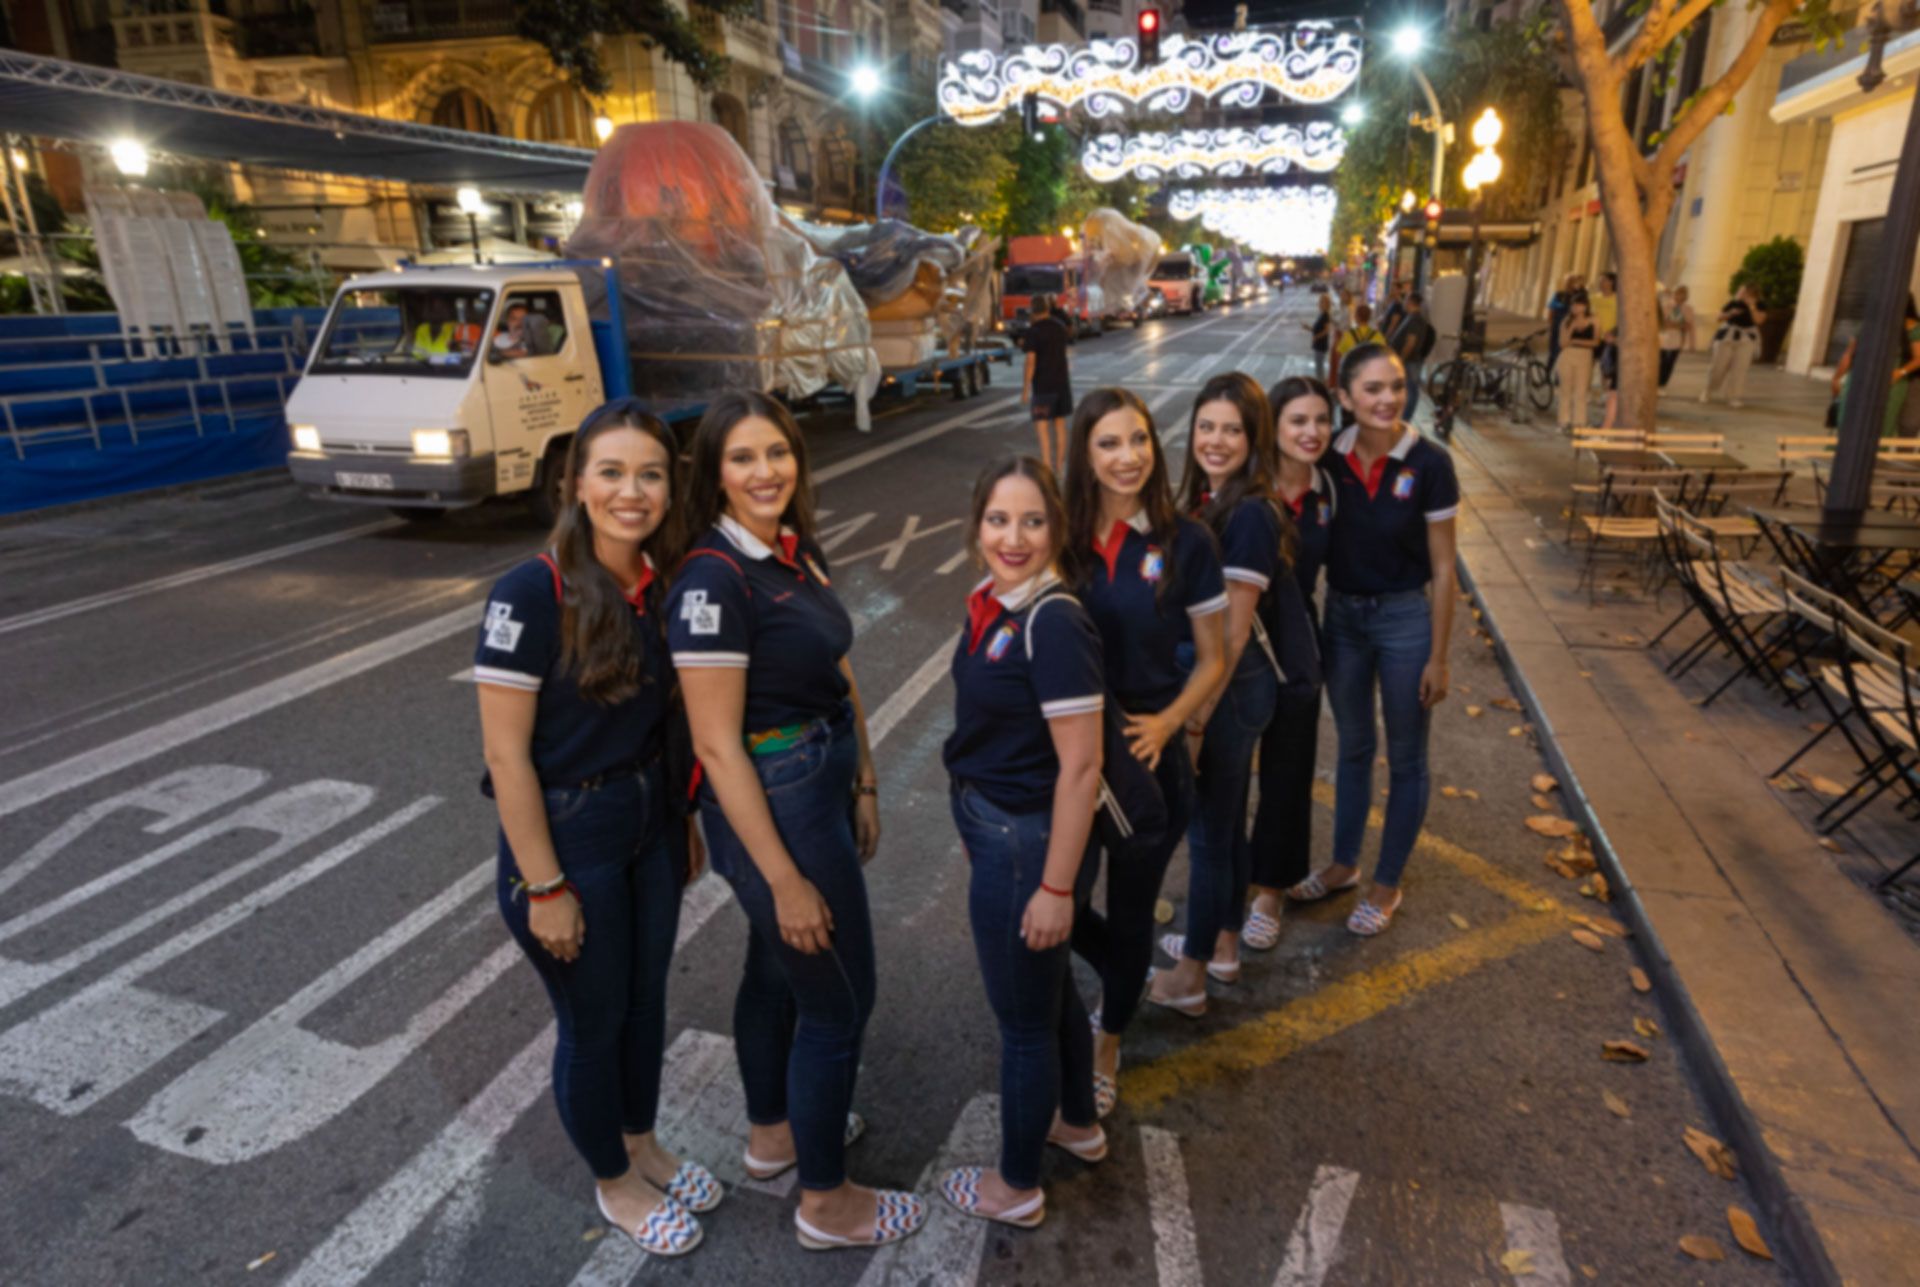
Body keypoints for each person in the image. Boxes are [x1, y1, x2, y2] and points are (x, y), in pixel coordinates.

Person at [665, 390, 925, 1252]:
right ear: (713, 472)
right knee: (840, 995)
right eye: (742, 457)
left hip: (820, 774)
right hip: (773, 792)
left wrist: (867, 780)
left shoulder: (788, 548)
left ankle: (775, 1134)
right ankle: (827, 1203)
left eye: (777, 452)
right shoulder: (713, 576)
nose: (765, 470)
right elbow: (715, 741)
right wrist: (783, 877)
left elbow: (835, 664)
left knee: (777, 970)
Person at [474, 400, 715, 1258]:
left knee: (645, 1001)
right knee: (594, 1017)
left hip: (648, 819)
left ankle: (642, 1141)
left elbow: (666, 723)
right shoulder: (529, 593)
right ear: (576, 483)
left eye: (650, 473)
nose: (631, 490)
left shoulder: (660, 583)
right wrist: (546, 887)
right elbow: (507, 759)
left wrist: (680, 816)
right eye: (611, 472)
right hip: (569, 837)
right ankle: (613, 1181)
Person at [939, 456, 1108, 1229]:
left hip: (1025, 842)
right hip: (1000, 829)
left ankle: (1016, 1184)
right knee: (1050, 995)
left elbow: (1081, 766)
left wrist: (1056, 886)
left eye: (1033, 521)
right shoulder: (992, 601)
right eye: (999, 519)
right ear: (977, 525)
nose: (1014, 536)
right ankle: (1077, 1120)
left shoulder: (1052, 619)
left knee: (1021, 1022)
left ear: (1056, 528)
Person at [1063, 388, 1226, 1118]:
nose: (1127, 456)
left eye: (1138, 440)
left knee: (1130, 914)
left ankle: (1109, 1034)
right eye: (1108, 443)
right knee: (1057, 903)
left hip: (1146, 765)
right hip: (1068, 761)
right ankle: (1121, 972)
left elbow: (1216, 660)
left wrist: (1166, 726)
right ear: (1084, 455)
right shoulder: (1057, 534)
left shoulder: (1187, 540)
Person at [1296, 345, 1458, 937]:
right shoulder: (1328, 458)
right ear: (1345, 398)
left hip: (1404, 621)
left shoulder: (1430, 463)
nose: (1388, 398)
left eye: (1395, 385)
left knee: (1408, 756)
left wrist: (1438, 655)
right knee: (1353, 748)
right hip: (1342, 618)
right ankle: (1344, 864)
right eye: (1371, 389)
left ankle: (1386, 883)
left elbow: (1444, 568)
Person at [1149, 374, 1287, 1009]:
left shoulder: (1252, 513)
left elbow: (1229, 635)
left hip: (1227, 690)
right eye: (1206, 426)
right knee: (1224, 825)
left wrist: (1197, 721)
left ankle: (1192, 974)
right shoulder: (1216, 497)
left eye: (1233, 429)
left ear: (1255, 437)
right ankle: (1224, 945)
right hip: (1229, 687)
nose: (1216, 439)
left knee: (1206, 831)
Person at [1243, 376, 1338, 950]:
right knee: (1224, 776)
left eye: (1321, 420)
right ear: (1273, 427)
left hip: (1297, 645)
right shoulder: (1248, 489)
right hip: (1239, 637)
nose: (1311, 432)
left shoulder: (1330, 490)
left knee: (1288, 771)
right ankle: (1224, 886)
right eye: (1298, 421)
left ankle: (1269, 892)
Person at [1832, 296, 1920, 438]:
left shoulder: (1912, 327)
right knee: (1848, 419)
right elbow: (1849, 353)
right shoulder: (1867, 325)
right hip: (1859, 378)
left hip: (1892, 383)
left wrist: (1899, 373)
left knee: (1883, 424)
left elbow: (1918, 358)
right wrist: (1837, 378)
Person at [1024, 295, 1074, 475]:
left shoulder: (1033, 331)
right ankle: (1060, 467)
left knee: (1042, 426)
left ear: (1033, 310)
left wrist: (1025, 389)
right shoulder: (1060, 327)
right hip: (1062, 385)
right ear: (1047, 308)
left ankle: (1047, 466)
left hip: (1043, 388)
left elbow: (1031, 361)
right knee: (1060, 426)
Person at [1703, 284, 1765, 408]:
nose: (1740, 294)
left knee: (1740, 369)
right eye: (1740, 291)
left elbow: (1759, 321)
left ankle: (1733, 397)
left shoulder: (1760, 305)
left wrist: (1751, 306)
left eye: (1743, 292)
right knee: (1718, 367)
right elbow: (1719, 318)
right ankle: (1708, 390)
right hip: (1727, 337)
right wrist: (1730, 313)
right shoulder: (1732, 303)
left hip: (1747, 339)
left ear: (1752, 295)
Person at [1389, 293, 1437, 420]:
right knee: (1408, 389)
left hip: (1410, 362)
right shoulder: (1411, 317)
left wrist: (1401, 359)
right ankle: (1403, 417)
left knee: (1411, 390)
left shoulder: (1416, 319)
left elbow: (1411, 342)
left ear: (1410, 301)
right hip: (1409, 361)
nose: (1403, 302)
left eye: (1405, 299)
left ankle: (1405, 419)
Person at [1556, 296, 1600, 431]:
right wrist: (1572, 328)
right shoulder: (1567, 321)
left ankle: (1579, 422)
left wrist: (1575, 341)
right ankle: (1564, 421)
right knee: (1565, 390)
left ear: (1586, 306)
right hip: (1567, 356)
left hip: (1585, 357)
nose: (1576, 308)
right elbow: (1563, 343)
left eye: (1579, 305)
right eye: (1574, 305)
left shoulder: (1594, 320)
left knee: (1581, 390)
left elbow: (1595, 342)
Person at [1330, 302, 1385, 392]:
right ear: (1369, 317)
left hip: (1352, 374)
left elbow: (1339, 353)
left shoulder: (1348, 335)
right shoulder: (1378, 336)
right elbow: (1383, 355)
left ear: (1356, 317)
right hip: (1371, 374)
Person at [1590, 273, 1621, 427]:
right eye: (1600, 280)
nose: (1602, 283)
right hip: (1595, 336)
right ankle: (1591, 391)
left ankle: (1604, 392)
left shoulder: (1617, 299)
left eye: (1605, 281)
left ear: (1612, 282)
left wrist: (1613, 333)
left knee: (1606, 366)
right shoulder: (1594, 298)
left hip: (1609, 338)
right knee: (1591, 363)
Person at [1657, 285, 1695, 389]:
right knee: (1661, 363)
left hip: (1678, 341)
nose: (1680, 296)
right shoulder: (1665, 306)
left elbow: (1690, 327)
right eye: (1678, 293)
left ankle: (1662, 385)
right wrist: (1680, 325)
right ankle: (1656, 383)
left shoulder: (1688, 309)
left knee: (1670, 363)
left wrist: (1692, 344)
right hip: (1662, 339)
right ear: (1674, 294)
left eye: (1683, 294)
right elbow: (1662, 324)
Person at [1546, 274, 1577, 373]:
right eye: (1568, 281)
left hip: (1569, 327)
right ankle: (1547, 371)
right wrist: (1550, 325)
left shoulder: (1577, 296)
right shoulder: (1558, 294)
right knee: (1552, 349)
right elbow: (1551, 310)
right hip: (1557, 325)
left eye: (1572, 281)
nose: (1570, 283)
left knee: (1564, 350)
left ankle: (1558, 374)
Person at [1308, 292, 1335, 383]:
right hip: (1318, 343)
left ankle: (1321, 385)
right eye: (1320, 302)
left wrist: (1316, 337)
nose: (1320, 304)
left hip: (1321, 344)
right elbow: (1317, 329)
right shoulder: (1321, 314)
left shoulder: (1326, 315)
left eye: (1322, 302)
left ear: (1327, 304)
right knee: (1318, 366)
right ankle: (1321, 383)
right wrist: (1308, 328)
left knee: (1319, 367)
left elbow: (1327, 330)